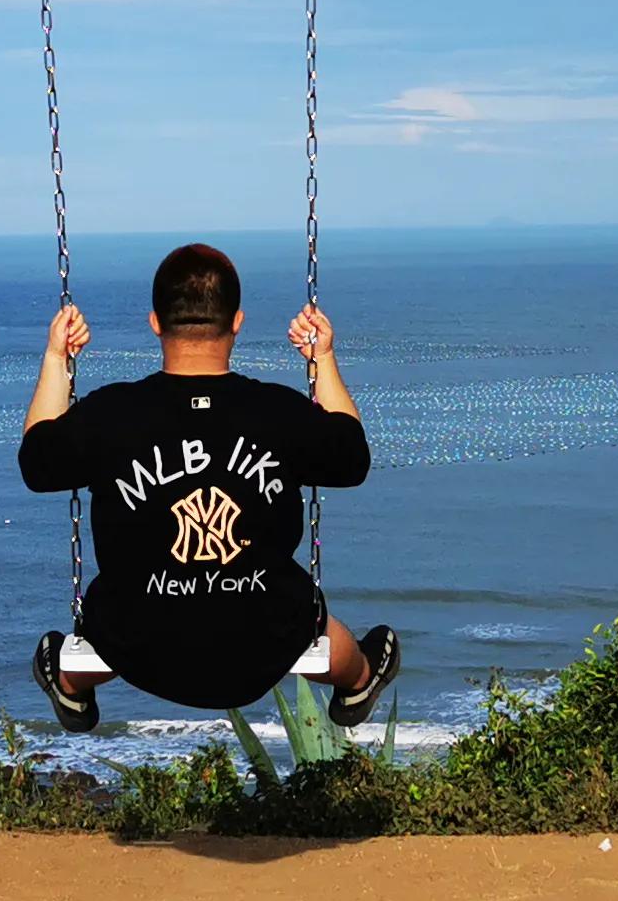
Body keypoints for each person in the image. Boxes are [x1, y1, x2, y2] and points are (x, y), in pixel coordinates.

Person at [21, 241, 400, 734]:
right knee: (304, 613)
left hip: (141, 647)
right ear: (237, 322)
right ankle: (360, 681)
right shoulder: (278, 412)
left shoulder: (110, 414)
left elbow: (37, 463)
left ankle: (71, 686)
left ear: (155, 322)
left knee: (122, 612)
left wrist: (56, 357)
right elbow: (352, 458)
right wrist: (321, 359)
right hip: (259, 645)